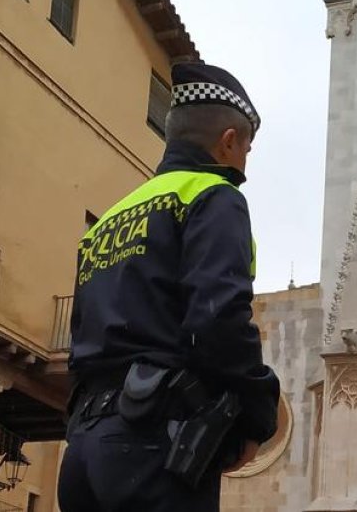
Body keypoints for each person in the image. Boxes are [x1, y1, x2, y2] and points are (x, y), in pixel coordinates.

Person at [58, 63, 280, 512]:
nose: (245, 166)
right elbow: (217, 317)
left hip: (83, 448)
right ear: (229, 141)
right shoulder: (214, 196)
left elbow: (81, 336)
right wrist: (258, 414)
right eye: (247, 150)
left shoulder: (111, 219)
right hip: (153, 443)